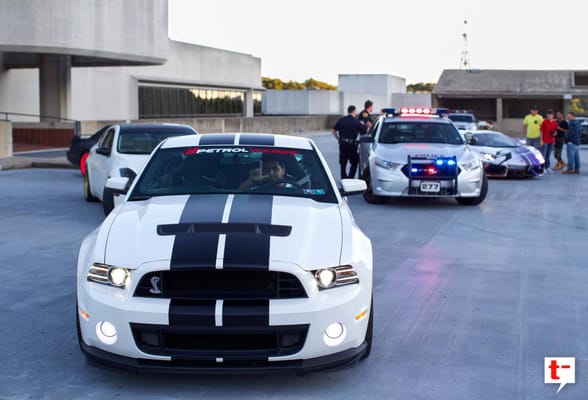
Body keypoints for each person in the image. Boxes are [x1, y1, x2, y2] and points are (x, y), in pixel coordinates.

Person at [332, 105, 367, 179]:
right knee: (354, 162)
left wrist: (338, 138)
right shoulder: (356, 121)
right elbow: (365, 130)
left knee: (343, 163)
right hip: (351, 145)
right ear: (354, 111)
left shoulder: (341, 120)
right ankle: (350, 177)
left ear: (348, 111)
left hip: (342, 143)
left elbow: (333, 130)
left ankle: (344, 178)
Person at [357, 100, 374, 176]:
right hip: (365, 136)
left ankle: (365, 173)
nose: (372, 108)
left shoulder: (366, 113)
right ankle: (365, 174)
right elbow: (368, 123)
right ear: (369, 106)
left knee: (365, 156)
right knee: (365, 157)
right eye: (372, 106)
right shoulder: (365, 113)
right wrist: (374, 128)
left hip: (366, 136)